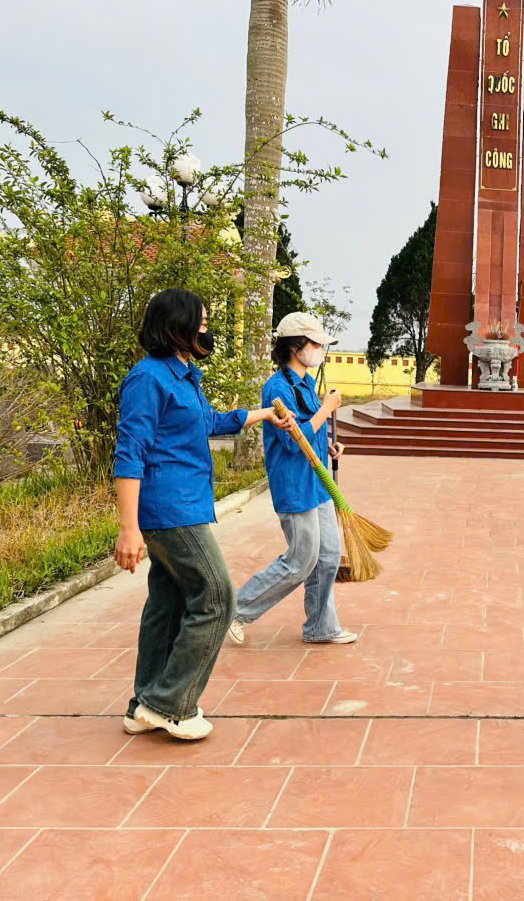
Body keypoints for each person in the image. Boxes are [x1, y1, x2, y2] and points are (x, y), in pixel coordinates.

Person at [114, 289, 295, 740]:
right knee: (217, 598)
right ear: (176, 324)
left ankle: (144, 703)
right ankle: (172, 704)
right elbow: (129, 454)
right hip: (168, 510)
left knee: (168, 605)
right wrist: (129, 528)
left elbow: (209, 422)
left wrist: (263, 416)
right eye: (201, 321)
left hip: (185, 504)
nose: (206, 328)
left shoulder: (183, 376)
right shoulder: (148, 379)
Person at [227, 312, 355, 647]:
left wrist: (327, 443)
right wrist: (326, 409)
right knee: (301, 560)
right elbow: (290, 439)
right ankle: (236, 610)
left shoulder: (306, 385)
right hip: (295, 487)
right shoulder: (277, 388)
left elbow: (308, 432)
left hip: (317, 482)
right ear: (296, 347)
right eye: (316, 344)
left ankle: (321, 627)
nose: (320, 350)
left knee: (328, 555)